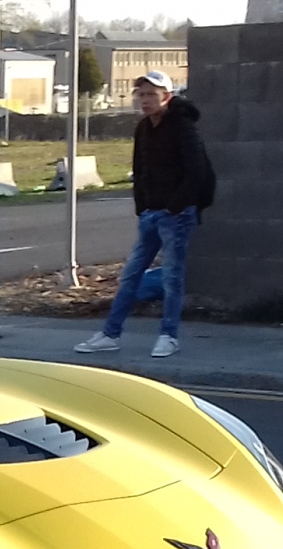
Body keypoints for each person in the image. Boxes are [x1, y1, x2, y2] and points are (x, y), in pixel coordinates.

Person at [74, 70, 215, 359]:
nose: (145, 100)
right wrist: (143, 206)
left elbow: (197, 172)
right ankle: (110, 334)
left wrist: (175, 206)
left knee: (172, 278)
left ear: (167, 96)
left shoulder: (183, 126)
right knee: (130, 275)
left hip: (176, 215)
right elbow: (140, 170)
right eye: (141, 94)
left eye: (152, 94)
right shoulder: (143, 128)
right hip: (151, 213)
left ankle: (169, 336)